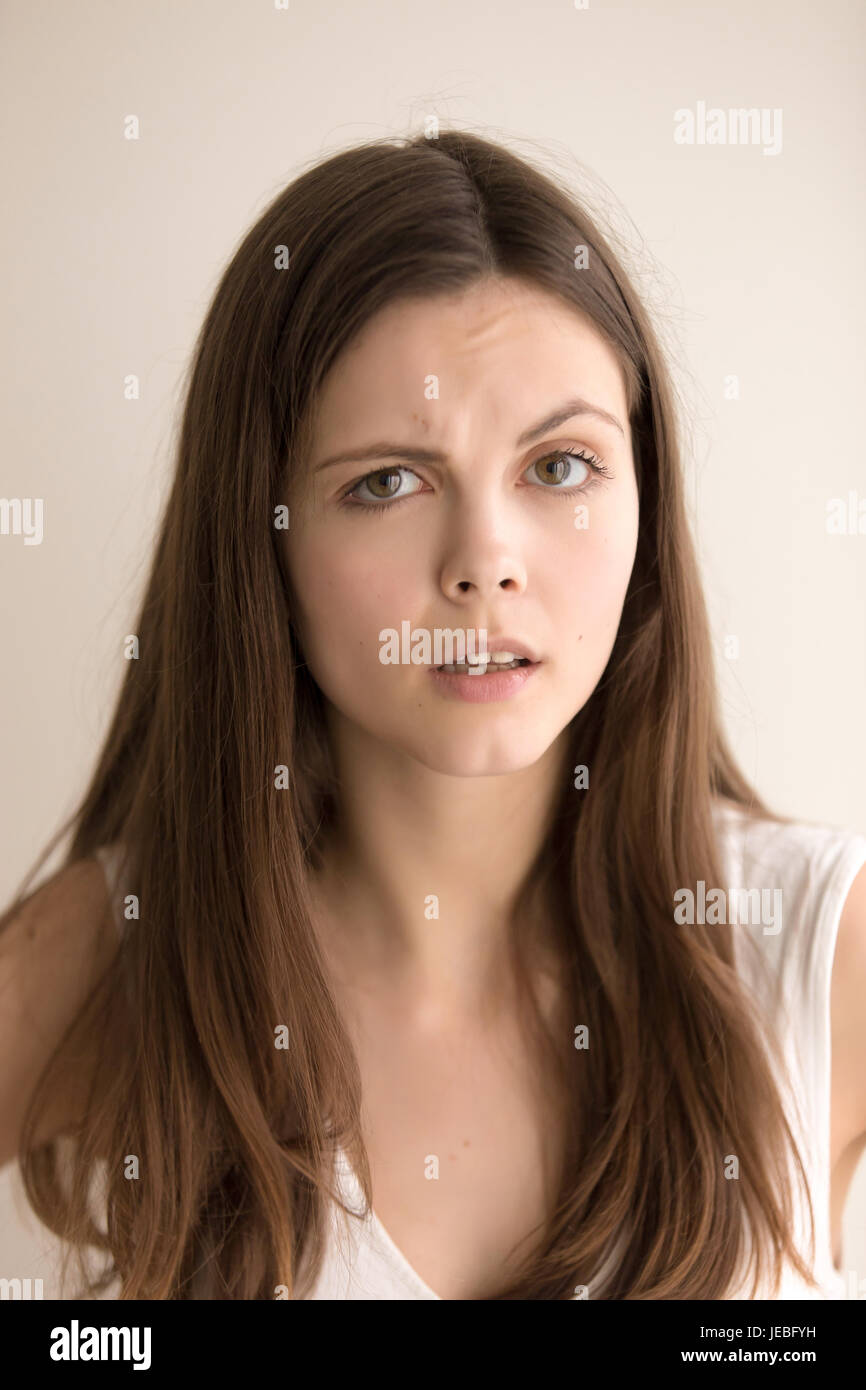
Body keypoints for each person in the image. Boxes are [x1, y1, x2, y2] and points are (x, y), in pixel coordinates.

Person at [2, 129, 864, 1301]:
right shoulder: (117, 957)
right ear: (261, 540)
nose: (483, 562)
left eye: (557, 466)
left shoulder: (820, 949)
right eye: (386, 482)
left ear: (644, 503)